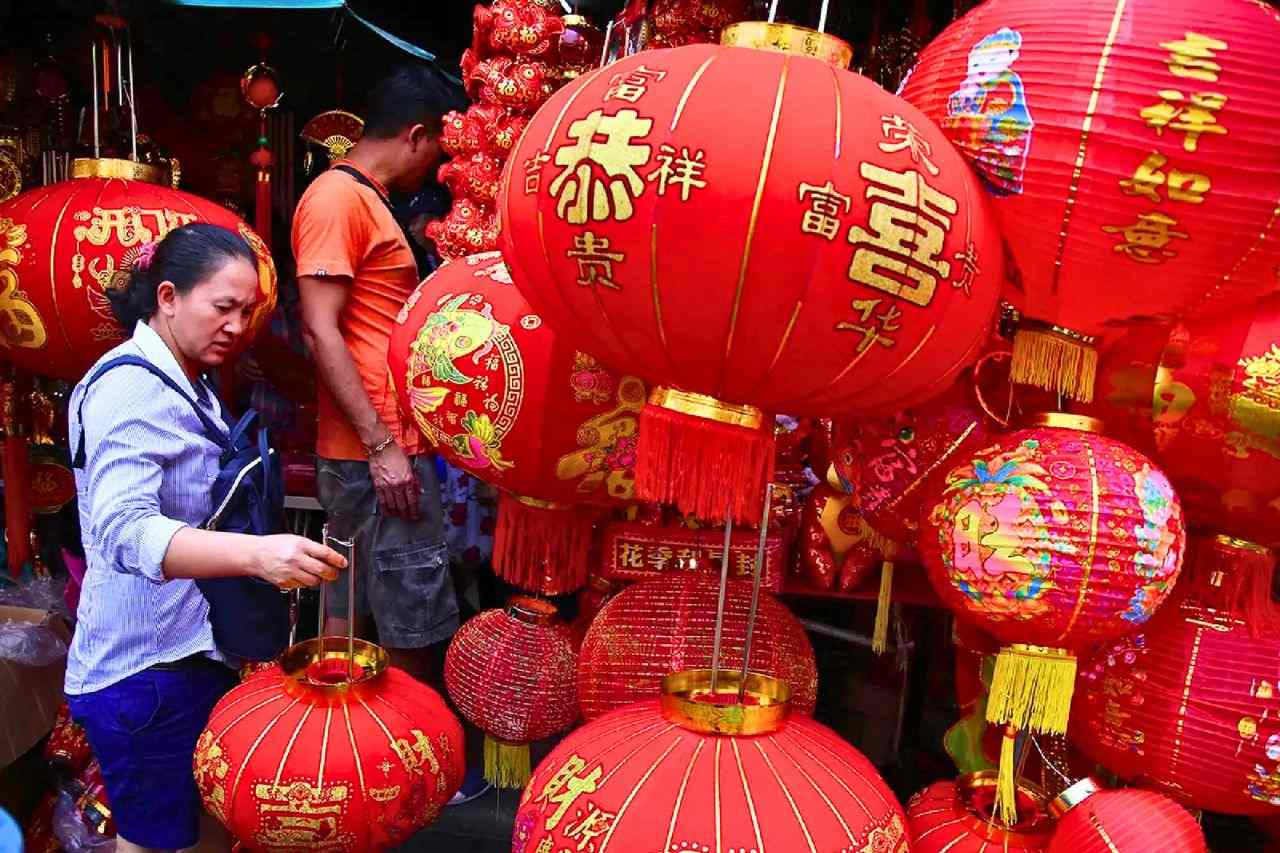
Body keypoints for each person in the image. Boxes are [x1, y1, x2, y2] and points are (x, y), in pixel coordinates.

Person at [65, 223, 348, 853]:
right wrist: (256, 555)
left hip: (186, 653)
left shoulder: (184, 379)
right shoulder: (131, 387)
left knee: (204, 832)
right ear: (168, 297)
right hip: (145, 670)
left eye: (247, 311)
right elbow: (122, 529)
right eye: (223, 307)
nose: (237, 325)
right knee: (158, 843)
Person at [293, 64, 460, 682]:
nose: (435, 169)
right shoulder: (338, 198)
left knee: (361, 608)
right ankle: (415, 759)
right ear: (417, 135)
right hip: (377, 449)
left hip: (384, 444)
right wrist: (383, 444)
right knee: (409, 622)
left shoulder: (367, 200)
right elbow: (319, 327)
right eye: (438, 151)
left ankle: (363, 752)